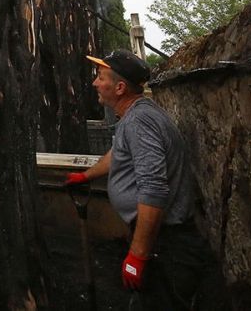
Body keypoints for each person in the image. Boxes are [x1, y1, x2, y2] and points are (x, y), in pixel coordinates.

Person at [65, 50, 224, 309]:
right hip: (160, 238)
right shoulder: (136, 115)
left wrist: (138, 256)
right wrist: (86, 175)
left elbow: (154, 188)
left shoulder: (139, 121)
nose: (95, 83)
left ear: (119, 88)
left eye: (100, 77)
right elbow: (118, 154)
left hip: (168, 244)